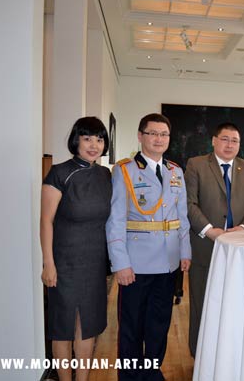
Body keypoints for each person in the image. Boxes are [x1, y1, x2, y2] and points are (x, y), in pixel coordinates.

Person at [106, 113, 191, 381]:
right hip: (136, 264)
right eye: (153, 133)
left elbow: (183, 216)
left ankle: (152, 372)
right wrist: (120, 263)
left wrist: (185, 252)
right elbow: (115, 220)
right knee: (131, 327)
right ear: (140, 136)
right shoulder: (125, 171)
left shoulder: (175, 171)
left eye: (164, 134)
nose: (159, 139)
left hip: (168, 261)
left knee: (158, 324)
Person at [40, 117, 111, 381]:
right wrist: (49, 263)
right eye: (87, 138)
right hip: (65, 262)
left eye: (99, 139)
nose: (94, 145)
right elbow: (46, 220)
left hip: (94, 262)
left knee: (88, 326)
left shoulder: (105, 174)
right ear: (76, 140)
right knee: (63, 327)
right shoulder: (59, 172)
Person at [184, 122, 244, 357]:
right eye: (225, 139)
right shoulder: (196, 165)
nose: (230, 145)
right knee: (203, 303)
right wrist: (210, 230)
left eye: (235, 141)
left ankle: (231, 355)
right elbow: (189, 203)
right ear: (214, 141)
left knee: (235, 305)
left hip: (239, 249)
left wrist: (243, 227)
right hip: (205, 245)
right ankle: (199, 355)